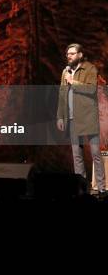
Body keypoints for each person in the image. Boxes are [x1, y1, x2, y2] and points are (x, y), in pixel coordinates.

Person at [57, 43, 107, 197]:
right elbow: (62, 95)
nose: (69, 56)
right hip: (72, 119)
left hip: (88, 118)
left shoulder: (90, 68)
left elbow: (92, 89)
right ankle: (81, 188)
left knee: (95, 153)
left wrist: (73, 82)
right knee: (76, 155)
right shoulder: (65, 71)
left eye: (72, 53)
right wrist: (60, 116)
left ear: (79, 54)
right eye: (67, 54)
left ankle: (102, 188)